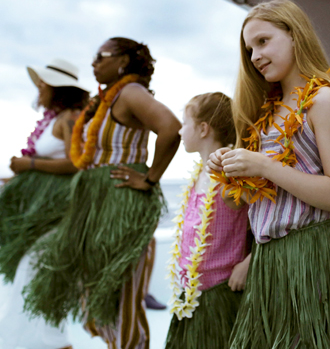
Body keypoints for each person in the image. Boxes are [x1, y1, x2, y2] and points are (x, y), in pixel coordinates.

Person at [208, 0, 330, 349]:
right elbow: (262, 198)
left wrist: (264, 165)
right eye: (249, 49)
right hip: (271, 260)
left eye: (263, 41)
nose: (255, 56)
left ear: (295, 35)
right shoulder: (267, 112)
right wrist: (232, 168)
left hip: (316, 255)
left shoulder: (323, 101)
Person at [23, 37, 181, 349]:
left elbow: (171, 128)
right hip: (95, 204)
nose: (93, 63)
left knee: (119, 294)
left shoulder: (131, 92)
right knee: (96, 293)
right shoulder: (105, 99)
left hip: (120, 204)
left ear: (122, 61)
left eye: (100, 56)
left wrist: (149, 179)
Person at [0, 58, 89, 349]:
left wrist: (30, 164)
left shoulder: (71, 118)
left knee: (33, 272)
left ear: (57, 88)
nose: (38, 88)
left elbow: (78, 163)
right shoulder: (54, 117)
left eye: (42, 83)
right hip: (38, 211)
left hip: (55, 213)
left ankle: (50, 342)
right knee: (27, 275)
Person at [165, 92, 252, 349]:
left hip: (219, 293)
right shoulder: (200, 174)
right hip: (191, 295)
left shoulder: (227, 177)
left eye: (184, 123)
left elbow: (267, 216)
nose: (180, 131)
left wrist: (250, 261)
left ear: (203, 128)